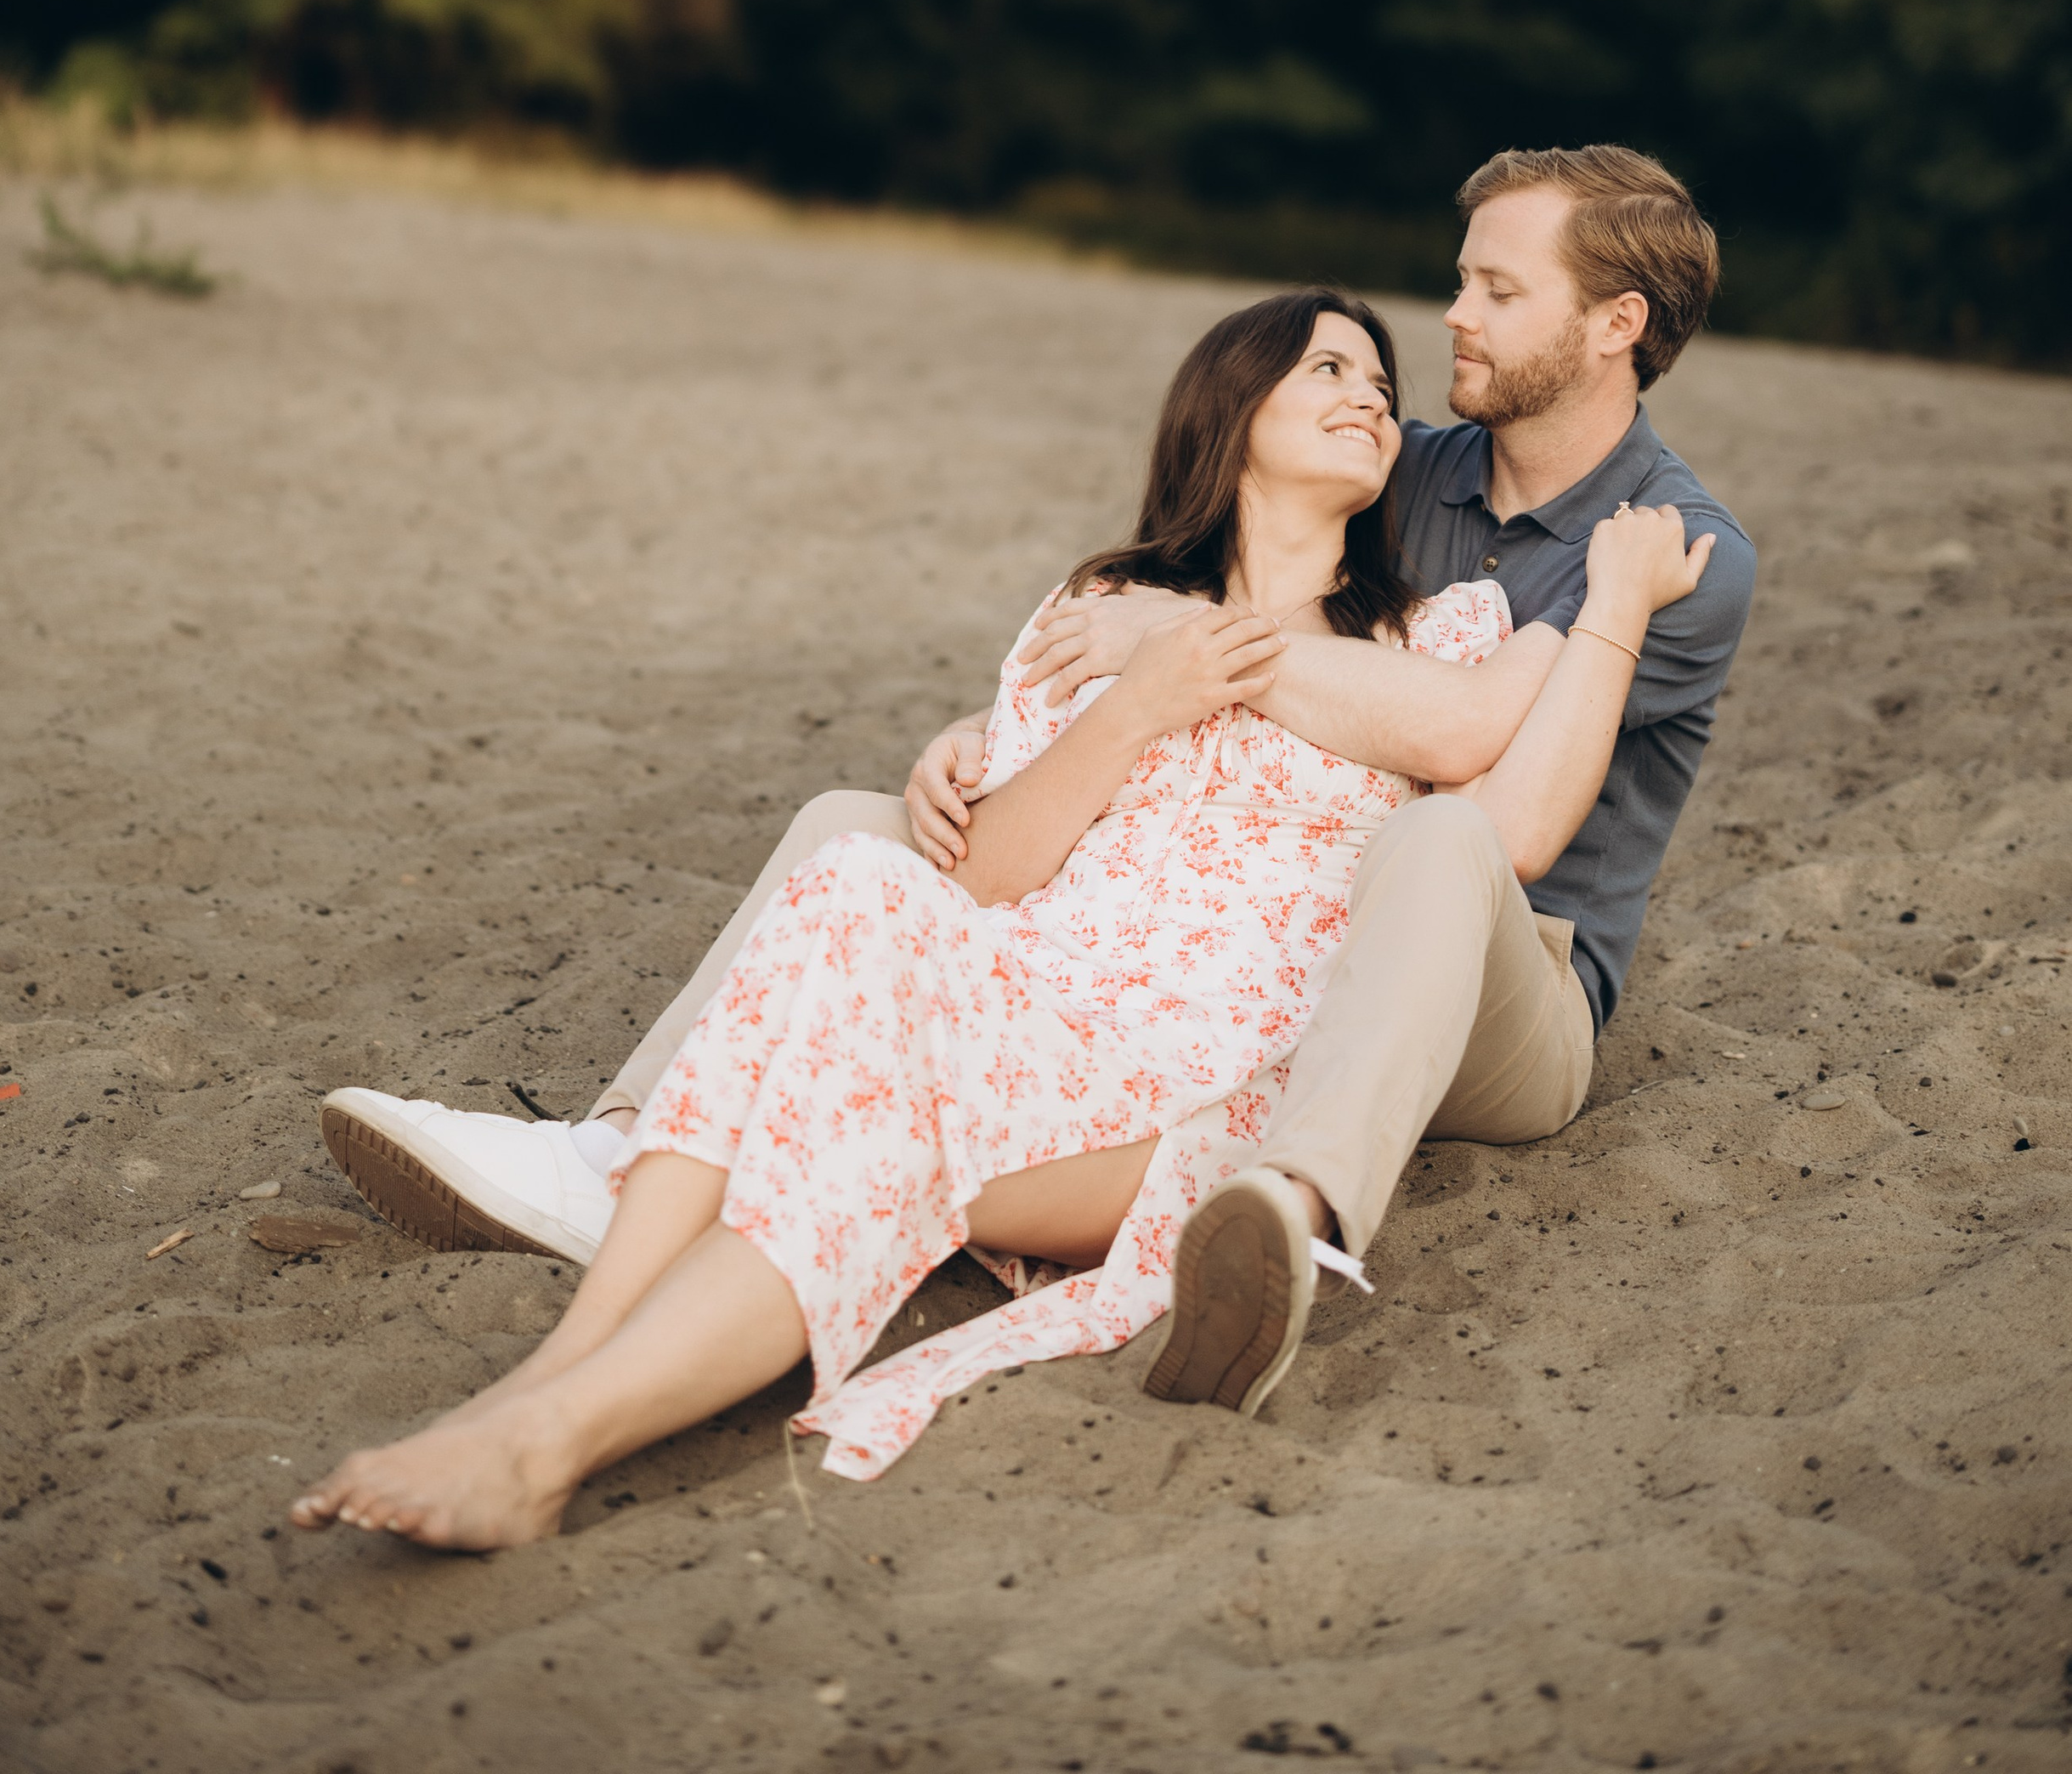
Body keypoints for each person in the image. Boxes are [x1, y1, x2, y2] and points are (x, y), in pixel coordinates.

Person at [320, 140, 1755, 1420]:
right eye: (1458, 283)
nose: (1451, 317)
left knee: (1437, 848)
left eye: (1497, 290)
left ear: (1615, 324)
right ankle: (626, 1150)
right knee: (853, 825)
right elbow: (1247, 570)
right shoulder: (1415, 461)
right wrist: (1004, 726)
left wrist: (1182, 651)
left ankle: (1286, 1207)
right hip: (1312, 920)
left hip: (1508, 969)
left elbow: (1490, 794)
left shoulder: (1674, 547)